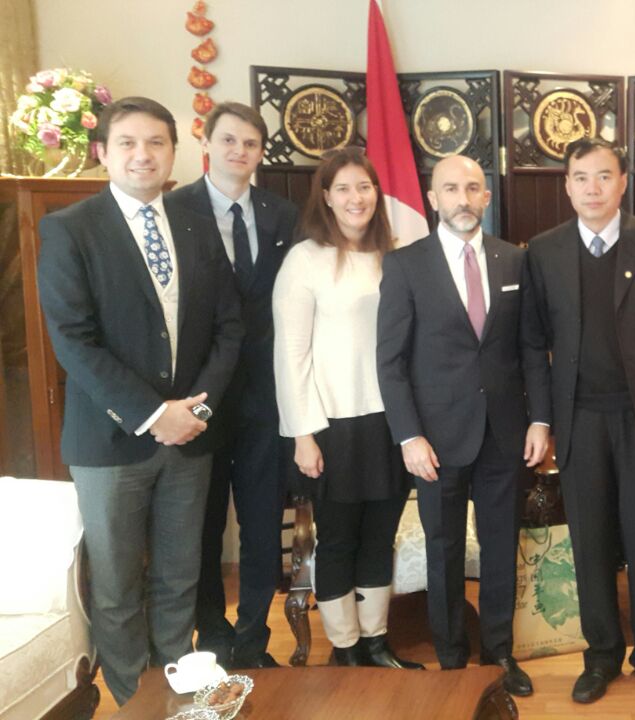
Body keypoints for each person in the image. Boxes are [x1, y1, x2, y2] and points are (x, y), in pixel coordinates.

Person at [36, 96, 243, 703]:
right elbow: (73, 340)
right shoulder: (70, 228)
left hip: (191, 437)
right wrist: (154, 415)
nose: (142, 155)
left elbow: (230, 327)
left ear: (174, 152)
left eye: (156, 142)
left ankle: (176, 696)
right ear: (103, 152)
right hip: (109, 443)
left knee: (180, 577)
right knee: (118, 586)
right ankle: (132, 702)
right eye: (127, 142)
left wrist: (196, 411)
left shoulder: (195, 223)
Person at [522, 137, 635, 703]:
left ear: (622, 183)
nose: (592, 188)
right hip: (579, 419)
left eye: (603, 176)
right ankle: (600, 657)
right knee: (589, 544)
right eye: (581, 177)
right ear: (567, 186)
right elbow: (533, 342)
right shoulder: (543, 251)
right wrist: (542, 419)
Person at [376, 155, 549, 695]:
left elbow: (531, 348)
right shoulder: (405, 265)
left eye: (473, 188)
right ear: (433, 199)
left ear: (487, 197)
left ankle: (499, 654)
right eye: (451, 189)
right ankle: (451, 660)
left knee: (500, 549)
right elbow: (390, 361)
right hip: (435, 439)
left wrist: (541, 419)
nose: (463, 199)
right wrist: (409, 436)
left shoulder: (514, 260)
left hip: (505, 433)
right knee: (444, 549)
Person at [273, 146, 420, 669]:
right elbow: (290, 354)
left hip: (391, 420)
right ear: (327, 198)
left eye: (364, 186)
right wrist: (303, 434)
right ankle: (345, 646)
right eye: (343, 189)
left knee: (381, 535)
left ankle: (376, 640)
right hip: (332, 424)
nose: (356, 197)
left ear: (377, 193)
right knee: (338, 539)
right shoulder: (305, 259)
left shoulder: (397, 255)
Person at [167, 101, 298, 670]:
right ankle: (214, 635)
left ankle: (253, 639)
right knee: (201, 524)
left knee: (263, 523)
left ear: (261, 152)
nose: (239, 151)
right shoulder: (174, 209)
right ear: (206, 143)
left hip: (266, 398)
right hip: (197, 397)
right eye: (228, 140)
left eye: (250, 143)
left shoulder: (283, 214)